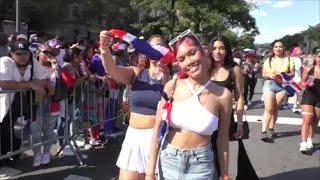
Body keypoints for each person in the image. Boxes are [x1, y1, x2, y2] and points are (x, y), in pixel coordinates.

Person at [147, 32, 231, 180]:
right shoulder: (171, 86)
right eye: (181, 59)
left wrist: (224, 173)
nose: (189, 61)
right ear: (178, 64)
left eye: (192, 53)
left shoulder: (223, 95)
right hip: (168, 161)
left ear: (204, 52)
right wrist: (149, 173)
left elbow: (222, 139)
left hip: (201, 166)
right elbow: (156, 130)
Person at [99, 31, 169, 180]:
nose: (156, 50)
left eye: (160, 46)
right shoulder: (137, 73)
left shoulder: (173, 78)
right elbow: (113, 70)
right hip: (134, 137)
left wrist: (166, 80)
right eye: (152, 46)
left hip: (157, 139)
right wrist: (105, 50)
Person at [0, 40, 47, 166]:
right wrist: (30, 84)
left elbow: (43, 79)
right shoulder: (5, 61)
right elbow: (4, 83)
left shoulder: (33, 62)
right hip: (3, 102)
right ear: (12, 54)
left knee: (8, 130)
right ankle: (7, 155)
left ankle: (9, 155)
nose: (22, 57)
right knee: (4, 130)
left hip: (16, 104)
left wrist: (33, 85)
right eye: (18, 54)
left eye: (25, 53)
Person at [31, 41, 60, 167]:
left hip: (52, 102)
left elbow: (59, 84)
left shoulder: (55, 67)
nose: (49, 55)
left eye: (51, 52)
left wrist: (55, 69)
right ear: (38, 53)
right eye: (45, 52)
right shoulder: (32, 66)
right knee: (36, 130)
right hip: (36, 102)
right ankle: (37, 153)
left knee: (49, 129)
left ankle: (46, 152)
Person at [261, 40, 295, 142]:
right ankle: (264, 131)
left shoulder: (289, 60)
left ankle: (271, 129)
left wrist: (284, 74)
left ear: (283, 48)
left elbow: (292, 73)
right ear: (273, 48)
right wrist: (269, 75)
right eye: (276, 47)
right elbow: (263, 74)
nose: (278, 49)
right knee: (268, 109)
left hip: (282, 86)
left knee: (275, 109)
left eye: (280, 46)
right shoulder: (268, 60)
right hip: (270, 84)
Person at [299, 48, 320, 152]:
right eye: (319, 56)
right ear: (316, 57)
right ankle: (303, 142)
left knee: (315, 120)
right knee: (307, 119)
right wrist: (306, 83)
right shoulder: (309, 68)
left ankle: (310, 139)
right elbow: (301, 83)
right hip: (309, 95)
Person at [290, 46, 303, 113]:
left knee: (294, 92)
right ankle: (294, 106)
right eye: (299, 51)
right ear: (296, 52)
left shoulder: (291, 58)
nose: (301, 52)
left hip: (292, 77)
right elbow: (298, 68)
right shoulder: (297, 59)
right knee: (296, 92)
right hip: (296, 77)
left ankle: (284, 103)